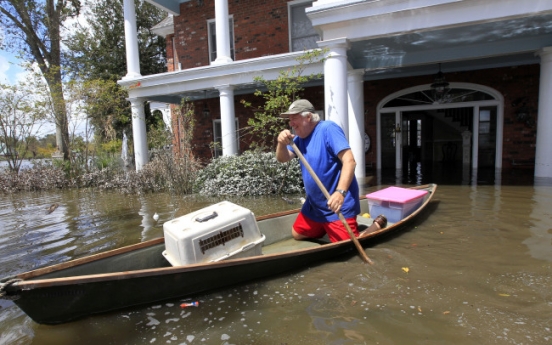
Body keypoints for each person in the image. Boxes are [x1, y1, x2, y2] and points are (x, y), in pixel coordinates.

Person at [276, 99, 385, 242]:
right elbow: (282, 158)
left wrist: (340, 193)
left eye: (294, 118)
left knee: (349, 245)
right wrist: (281, 144)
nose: (291, 123)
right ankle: (324, 226)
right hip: (315, 205)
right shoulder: (298, 139)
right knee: (297, 234)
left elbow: (350, 161)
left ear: (308, 117)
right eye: (289, 120)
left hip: (337, 206)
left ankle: (375, 226)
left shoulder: (328, 129)